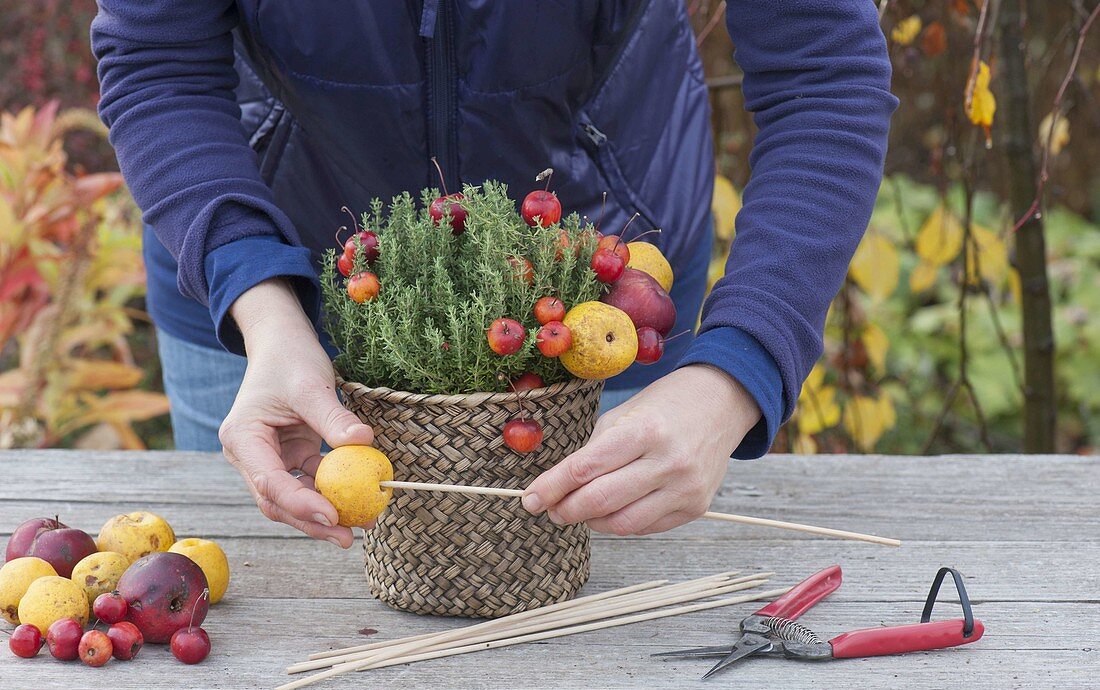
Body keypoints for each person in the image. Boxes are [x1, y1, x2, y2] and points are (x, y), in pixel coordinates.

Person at [91, 1, 896, 548]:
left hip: (596, 309)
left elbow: (825, 77)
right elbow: (156, 58)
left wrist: (734, 375)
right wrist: (261, 308)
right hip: (266, 291)